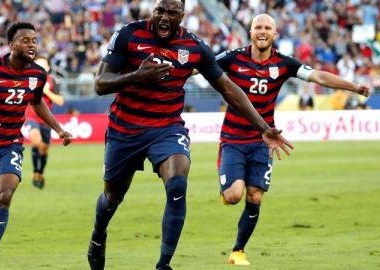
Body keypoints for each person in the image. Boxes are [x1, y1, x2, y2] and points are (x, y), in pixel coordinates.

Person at [86, 2, 293, 270]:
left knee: (177, 185)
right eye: (160, 10)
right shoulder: (129, 34)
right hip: (125, 129)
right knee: (112, 197)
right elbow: (100, 84)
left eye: (171, 12)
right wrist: (138, 75)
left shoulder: (194, 47)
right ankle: (98, 235)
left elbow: (228, 89)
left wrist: (263, 126)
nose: (163, 17)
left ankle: (163, 265)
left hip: (166, 128)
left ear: (182, 16)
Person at [215, 14, 370, 266]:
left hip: (264, 140)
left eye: (267, 28)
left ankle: (238, 251)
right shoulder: (233, 57)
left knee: (255, 197)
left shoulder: (284, 63)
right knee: (234, 196)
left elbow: (319, 76)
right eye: (258, 27)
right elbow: (201, 67)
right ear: (250, 32)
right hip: (233, 138)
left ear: (275, 34)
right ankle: (226, 189)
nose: (262, 31)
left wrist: (353, 86)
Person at [0, 22, 72, 270]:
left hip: (9, 144)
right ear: (11, 45)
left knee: (4, 195)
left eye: (34, 40)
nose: (32, 44)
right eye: (25, 40)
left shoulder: (37, 75)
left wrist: (59, 129)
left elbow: (38, 103)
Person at [25, 56, 65, 189]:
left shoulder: (53, 81)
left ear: (48, 68)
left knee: (44, 149)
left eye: (43, 66)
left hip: (46, 119)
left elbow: (60, 101)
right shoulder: (29, 79)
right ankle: (35, 173)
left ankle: (40, 172)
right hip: (31, 116)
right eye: (37, 65)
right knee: (36, 141)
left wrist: (47, 91)